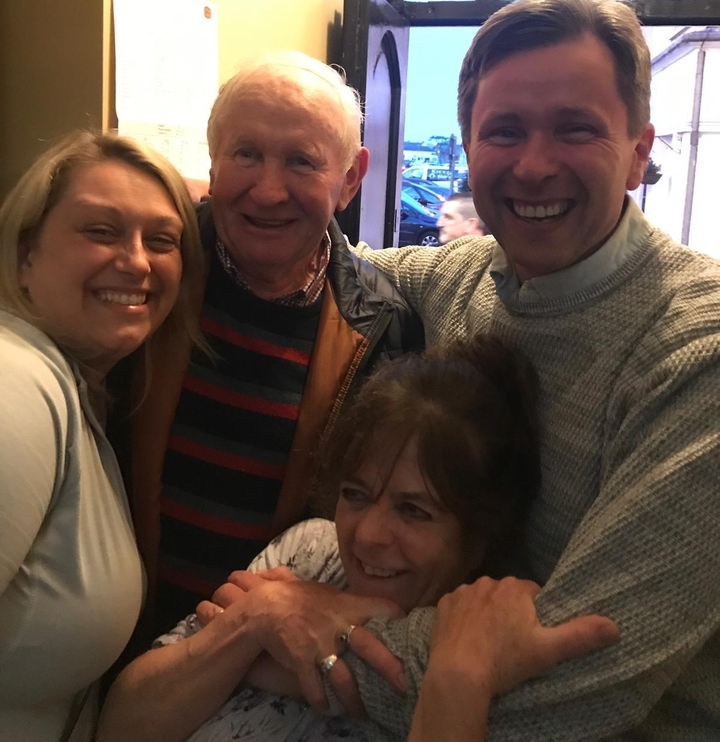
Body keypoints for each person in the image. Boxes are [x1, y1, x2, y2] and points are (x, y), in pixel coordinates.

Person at [202, 0, 720, 739]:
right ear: (468, 147)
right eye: (503, 131)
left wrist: (290, 633)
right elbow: (323, 253)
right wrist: (172, 218)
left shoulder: (695, 352)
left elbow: (583, 682)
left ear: (641, 149)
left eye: (576, 129)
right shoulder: (464, 276)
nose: (534, 166)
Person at [98, 335, 617, 742]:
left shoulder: (496, 644)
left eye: (413, 511)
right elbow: (120, 725)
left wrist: (454, 681)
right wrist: (256, 620)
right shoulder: (310, 551)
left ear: (481, 531)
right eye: (357, 494)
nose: (366, 536)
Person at [117, 52, 423, 635]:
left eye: (302, 162)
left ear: (351, 179)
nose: (268, 190)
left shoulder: (384, 326)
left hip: (267, 665)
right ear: (213, 159)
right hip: (109, 645)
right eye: (246, 154)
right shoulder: (149, 274)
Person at [0, 130, 204, 742]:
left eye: (161, 240)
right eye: (100, 230)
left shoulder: (81, 395)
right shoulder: (18, 381)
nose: (137, 261)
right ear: (26, 254)